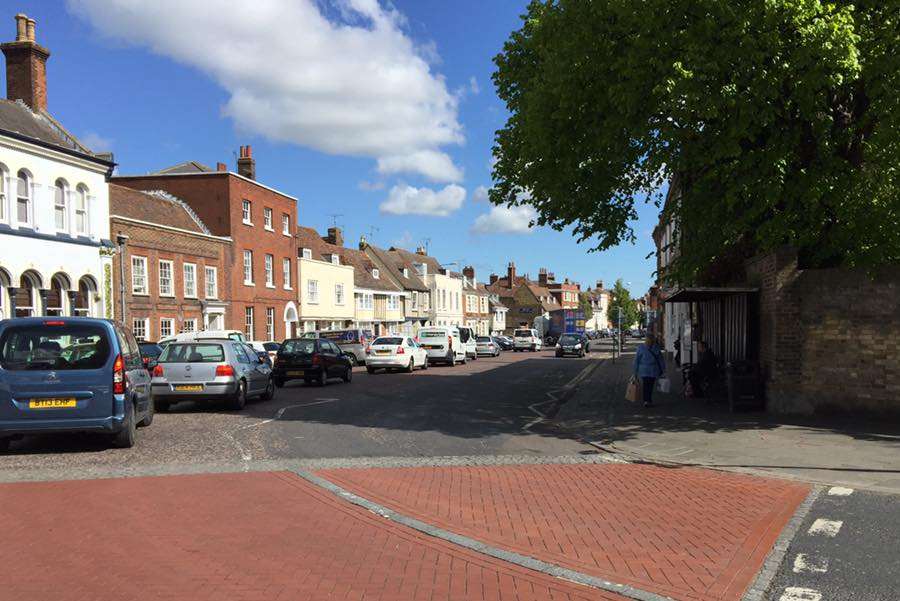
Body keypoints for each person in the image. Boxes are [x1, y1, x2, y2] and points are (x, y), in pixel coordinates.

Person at [634, 333, 665, 407]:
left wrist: (635, 371)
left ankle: (646, 400)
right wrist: (663, 369)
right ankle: (648, 400)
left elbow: (636, 360)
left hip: (645, 370)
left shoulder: (641, 347)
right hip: (652, 370)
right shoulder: (656, 347)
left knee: (646, 385)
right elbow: (660, 360)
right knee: (649, 385)